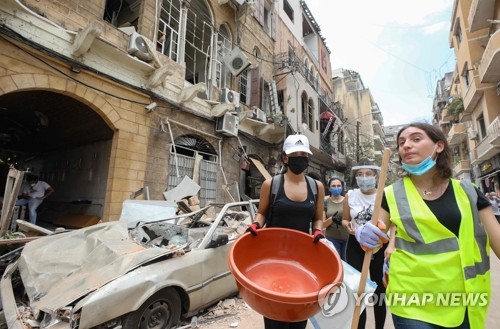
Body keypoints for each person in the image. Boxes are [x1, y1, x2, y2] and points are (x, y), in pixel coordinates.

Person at [355, 122, 500, 329]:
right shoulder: (390, 194)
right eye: (401, 142)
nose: (406, 146)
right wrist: (365, 235)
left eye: (416, 139)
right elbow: (373, 241)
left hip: (464, 299)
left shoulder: (468, 191)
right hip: (411, 300)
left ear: (438, 146)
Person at [246, 133, 325, 329]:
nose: (300, 158)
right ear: (285, 158)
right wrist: (255, 225)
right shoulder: (271, 185)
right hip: (273, 258)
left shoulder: (317, 187)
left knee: (298, 314)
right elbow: (262, 213)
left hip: (302, 260)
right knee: (274, 315)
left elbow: (318, 217)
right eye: (295, 154)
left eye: (304, 155)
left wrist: (317, 231)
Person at [341, 158, 387, 329]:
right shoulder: (350, 196)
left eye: (368, 174)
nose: (364, 177)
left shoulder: (384, 195)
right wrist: (350, 228)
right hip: (355, 245)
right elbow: (346, 220)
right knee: (357, 290)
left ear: (375, 176)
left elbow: (393, 223)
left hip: (378, 245)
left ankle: (379, 326)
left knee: (379, 291)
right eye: (360, 174)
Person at [323, 177, 349, 260]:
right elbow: (322, 224)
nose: (336, 188)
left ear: (342, 187)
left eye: (338, 186)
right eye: (333, 186)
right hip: (331, 238)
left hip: (347, 238)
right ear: (329, 188)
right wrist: (332, 219)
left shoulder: (347, 200)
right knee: (336, 261)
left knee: (347, 263)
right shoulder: (326, 201)